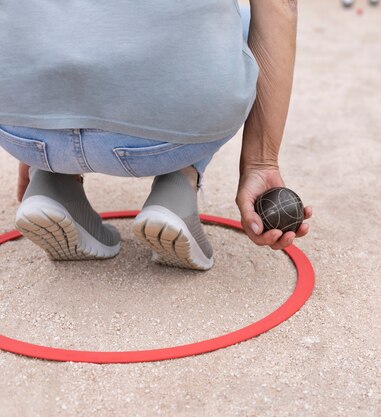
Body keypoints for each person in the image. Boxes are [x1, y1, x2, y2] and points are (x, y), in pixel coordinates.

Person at [0, 0, 312, 270]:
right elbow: (280, 6)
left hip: (18, 121)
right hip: (169, 135)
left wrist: (37, 138)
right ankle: (178, 186)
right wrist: (261, 162)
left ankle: (53, 180)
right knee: (238, 24)